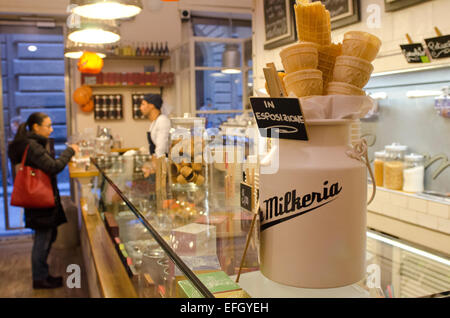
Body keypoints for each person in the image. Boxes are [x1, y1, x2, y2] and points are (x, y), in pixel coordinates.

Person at [8, 112, 79, 289]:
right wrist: (70, 151)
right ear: (36, 127)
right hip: (40, 201)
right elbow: (53, 167)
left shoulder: (30, 144)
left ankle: (43, 274)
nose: (51, 129)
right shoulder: (33, 146)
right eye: (48, 126)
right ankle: (39, 278)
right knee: (43, 238)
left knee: (47, 236)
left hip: (37, 200)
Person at [139, 94, 171, 158]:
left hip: (163, 163)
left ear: (151, 105)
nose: (140, 108)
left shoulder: (162, 121)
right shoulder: (154, 122)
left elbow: (161, 149)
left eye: (143, 104)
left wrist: (154, 164)